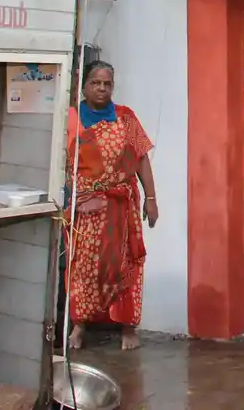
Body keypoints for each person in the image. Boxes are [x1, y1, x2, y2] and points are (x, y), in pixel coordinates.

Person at [65, 62, 158, 350]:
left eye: (107, 84)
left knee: (125, 266)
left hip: (122, 207)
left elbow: (141, 158)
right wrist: (73, 202)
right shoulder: (70, 118)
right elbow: (60, 162)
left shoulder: (126, 118)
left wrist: (152, 199)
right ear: (84, 85)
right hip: (86, 208)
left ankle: (127, 328)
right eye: (96, 83)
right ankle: (79, 326)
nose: (102, 88)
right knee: (84, 268)